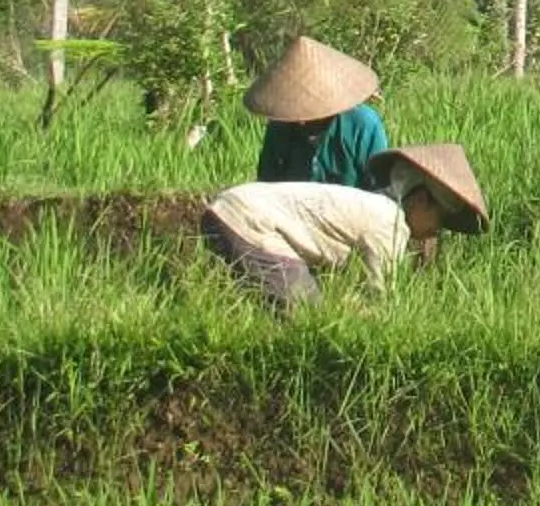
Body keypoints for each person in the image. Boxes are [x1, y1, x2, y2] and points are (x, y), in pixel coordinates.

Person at [199, 142, 489, 313]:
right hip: (248, 218)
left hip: (233, 208)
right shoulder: (388, 224)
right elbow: (378, 296)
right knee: (309, 314)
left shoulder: (373, 208)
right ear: (420, 202)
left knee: (286, 305)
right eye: (438, 220)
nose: (437, 232)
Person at [244, 36, 389, 188]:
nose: (302, 121)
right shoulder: (280, 127)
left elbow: (381, 189)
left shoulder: (362, 124)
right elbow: (267, 185)